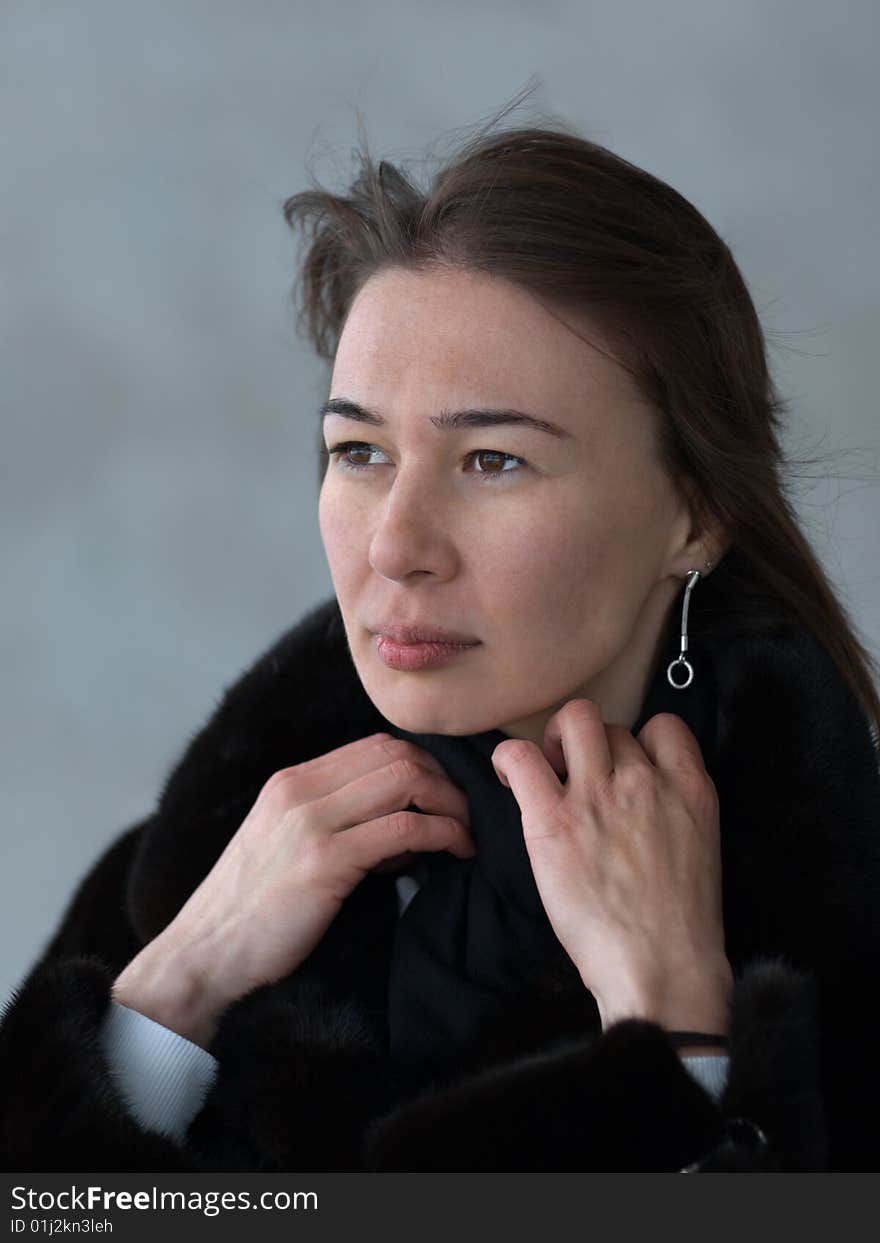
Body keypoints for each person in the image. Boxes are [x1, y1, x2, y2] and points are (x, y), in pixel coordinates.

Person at [3, 101, 880, 1174]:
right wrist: (174, 986)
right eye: (359, 451)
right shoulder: (180, 877)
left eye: (492, 461)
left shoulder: (842, 923)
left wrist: (679, 1028)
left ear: (693, 515)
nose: (394, 545)